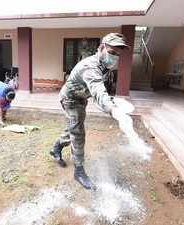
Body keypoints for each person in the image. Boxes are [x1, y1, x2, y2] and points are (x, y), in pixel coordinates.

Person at [49, 33, 129, 189]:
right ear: (101, 48)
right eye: (112, 52)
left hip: (81, 99)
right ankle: (79, 171)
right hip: (70, 99)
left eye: (118, 55)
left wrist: (111, 102)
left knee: (73, 127)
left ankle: (55, 149)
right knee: (78, 133)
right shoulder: (90, 67)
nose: (115, 57)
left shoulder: (103, 65)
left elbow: (98, 91)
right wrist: (112, 109)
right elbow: (97, 89)